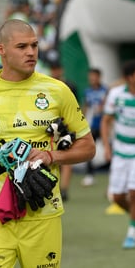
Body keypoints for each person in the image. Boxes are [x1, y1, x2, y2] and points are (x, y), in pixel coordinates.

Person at [0, 19, 95, 268]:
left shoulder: (58, 91)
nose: (31, 52)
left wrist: (51, 156)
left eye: (34, 45)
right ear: (1, 50)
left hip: (42, 216)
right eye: (22, 46)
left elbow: (88, 146)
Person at [100, 59, 135, 249]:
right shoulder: (116, 95)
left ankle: (133, 233)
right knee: (118, 197)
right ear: (130, 77)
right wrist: (106, 146)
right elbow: (106, 121)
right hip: (120, 151)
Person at [49, 60, 77, 201]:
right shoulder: (46, 86)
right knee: (51, 157)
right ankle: (54, 187)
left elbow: (76, 108)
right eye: (53, 68)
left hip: (65, 127)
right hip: (48, 129)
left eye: (57, 68)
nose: (55, 71)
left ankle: (64, 189)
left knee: (66, 157)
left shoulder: (69, 86)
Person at [81, 68, 108, 186]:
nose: (92, 79)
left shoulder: (105, 90)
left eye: (94, 76)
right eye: (90, 76)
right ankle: (90, 175)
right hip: (92, 125)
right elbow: (85, 107)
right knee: (89, 148)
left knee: (109, 147)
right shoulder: (87, 91)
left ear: (99, 77)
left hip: (105, 125)